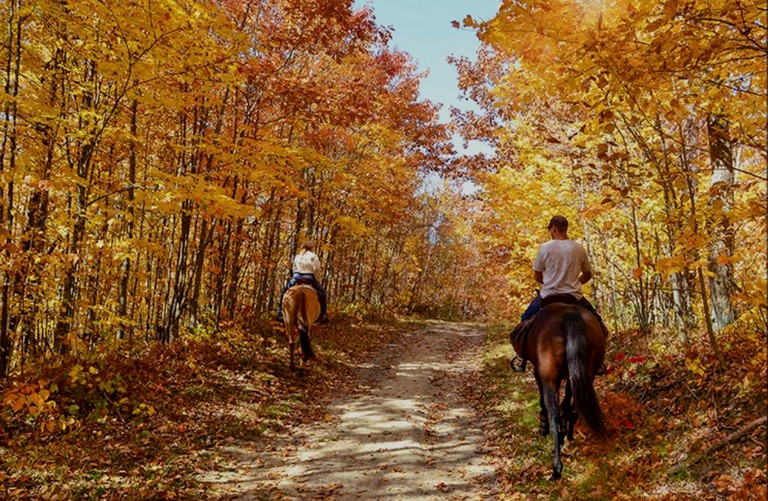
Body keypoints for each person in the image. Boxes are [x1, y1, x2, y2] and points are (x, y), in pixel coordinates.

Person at [510, 215, 605, 373]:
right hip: (574, 296)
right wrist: (574, 283)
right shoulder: (578, 248)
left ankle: (521, 358)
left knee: (524, 320)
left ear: (553, 228)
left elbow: (537, 275)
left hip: (548, 295)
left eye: (550, 229)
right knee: (598, 324)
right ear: (565, 228)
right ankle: (599, 362)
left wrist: (550, 283)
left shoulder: (545, 247)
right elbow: (588, 274)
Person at [275, 241, 329, 323]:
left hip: (297, 277)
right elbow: (317, 268)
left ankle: (280, 313)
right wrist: (317, 279)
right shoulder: (314, 256)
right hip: (309, 277)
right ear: (311, 248)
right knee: (323, 293)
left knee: (284, 292)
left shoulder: (298, 256)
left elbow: (294, 267)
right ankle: (323, 314)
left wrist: (295, 275)